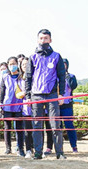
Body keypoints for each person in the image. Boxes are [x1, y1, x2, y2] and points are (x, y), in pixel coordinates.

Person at [25, 29, 67, 160]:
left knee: (55, 125)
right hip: (36, 95)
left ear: (50, 40)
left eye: (46, 38)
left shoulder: (56, 56)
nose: (43, 41)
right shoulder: (32, 57)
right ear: (38, 40)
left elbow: (62, 76)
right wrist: (28, 96)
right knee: (37, 125)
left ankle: (59, 153)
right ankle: (38, 153)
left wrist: (61, 94)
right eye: (41, 38)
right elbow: (28, 77)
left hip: (52, 94)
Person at [0, 58, 26, 156]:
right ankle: (8, 148)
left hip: (19, 106)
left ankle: (21, 148)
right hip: (7, 106)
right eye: (10, 64)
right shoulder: (5, 77)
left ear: (17, 64)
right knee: (7, 128)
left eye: (14, 63)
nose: (12, 66)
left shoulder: (22, 77)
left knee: (19, 128)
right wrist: (0, 103)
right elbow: (2, 91)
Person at [60, 58, 79, 152]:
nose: (63, 66)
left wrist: (67, 78)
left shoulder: (71, 76)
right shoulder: (54, 76)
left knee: (69, 125)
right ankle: (59, 147)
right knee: (57, 127)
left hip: (67, 104)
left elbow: (73, 86)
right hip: (56, 105)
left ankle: (74, 146)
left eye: (64, 64)